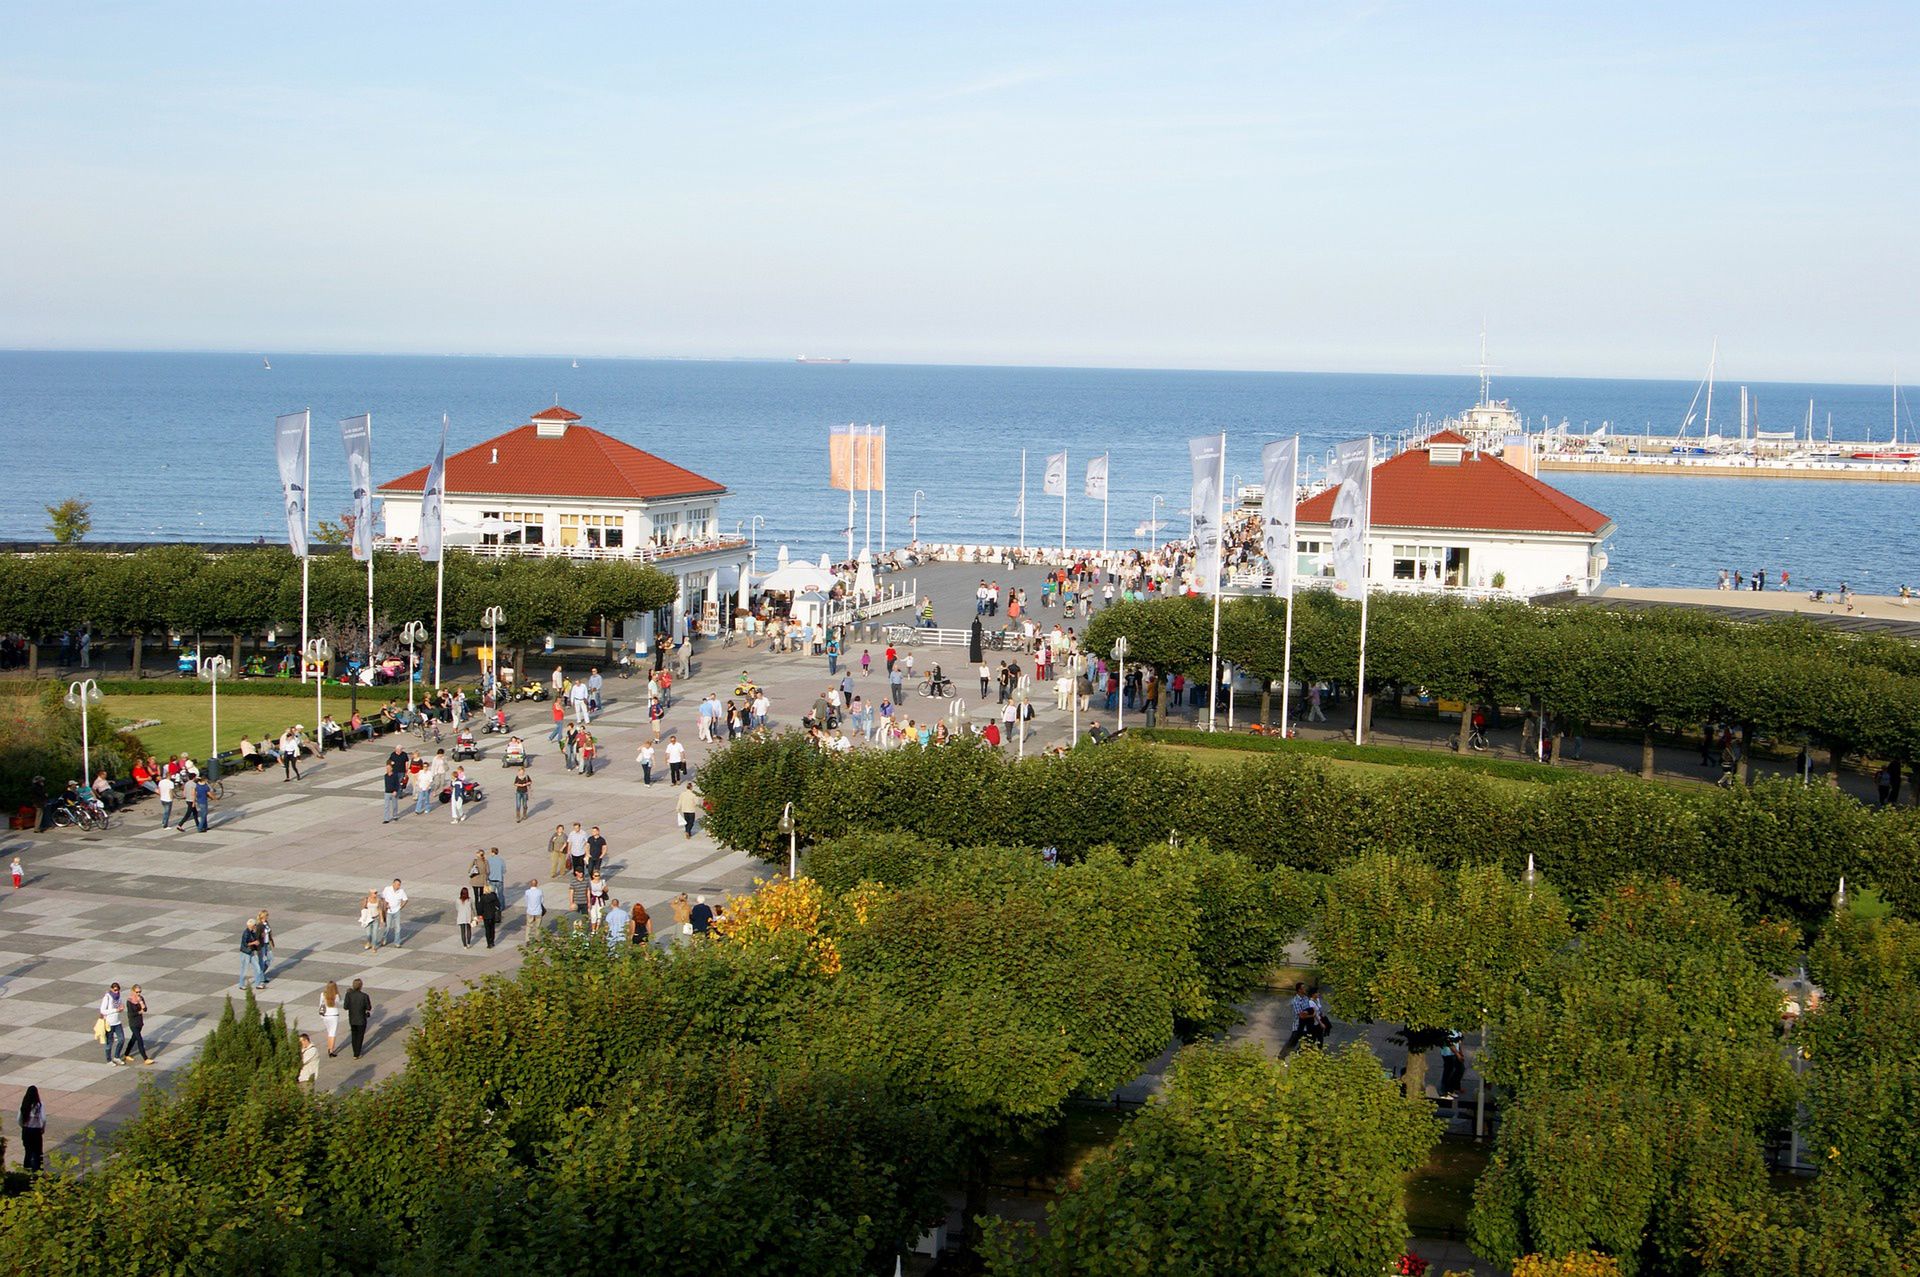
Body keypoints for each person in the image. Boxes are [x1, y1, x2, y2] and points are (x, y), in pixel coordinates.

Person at [18, 1086, 45, 1172]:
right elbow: (43, 1119)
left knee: (28, 1151)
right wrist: (42, 1128)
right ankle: (38, 1170)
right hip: (36, 1131)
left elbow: (19, 1119)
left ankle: (27, 1168)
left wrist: (23, 1126)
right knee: (38, 1152)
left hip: (26, 1130)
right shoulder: (39, 1105)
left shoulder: (24, 1105)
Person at [343, 978, 372, 1058]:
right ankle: (357, 1053)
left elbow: (345, 1007)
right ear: (361, 986)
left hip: (352, 1018)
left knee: (354, 1035)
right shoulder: (364, 996)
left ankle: (355, 1051)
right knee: (360, 1036)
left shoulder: (348, 995)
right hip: (361, 1019)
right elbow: (369, 1007)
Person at [125, 984, 153, 1064]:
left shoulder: (141, 998)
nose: (138, 994)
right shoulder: (129, 1001)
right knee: (139, 1040)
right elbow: (130, 1014)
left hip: (139, 1022)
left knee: (133, 1039)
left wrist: (141, 1003)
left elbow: (145, 1009)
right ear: (133, 991)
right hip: (133, 1023)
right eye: (137, 992)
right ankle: (145, 1058)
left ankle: (126, 1054)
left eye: (140, 992)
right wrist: (139, 1012)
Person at [99, 982, 126, 1065]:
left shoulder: (119, 997)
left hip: (117, 1022)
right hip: (109, 1023)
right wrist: (115, 1010)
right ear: (111, 989)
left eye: (118, 990)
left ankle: (117, 1057)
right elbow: (102, 1011)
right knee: (109, 1043)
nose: (117, 992)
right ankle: (109, 1060)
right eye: (115, 990)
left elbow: (119, 1006)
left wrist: (121, 1009)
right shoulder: (107, 997)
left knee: (121, 1039)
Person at [382, 878, 409, 947]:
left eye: (399, 885)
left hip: (397, 911)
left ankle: (397, 942)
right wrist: (385, 906)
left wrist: (401, 907)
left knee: (398, 927)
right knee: (387, 927)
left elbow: (405, 900)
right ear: (393, 883)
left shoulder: (401, 891)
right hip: (388, 911)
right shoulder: (387, 889)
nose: (398, 886)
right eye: (397, 884)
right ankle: (384, 938)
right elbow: (383, 898)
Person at [237, 919, 262, 991]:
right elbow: (245, 944)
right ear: (252, 926)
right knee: (244, 969)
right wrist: (254, 943)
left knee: (257, 968)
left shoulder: (251, 932)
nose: (256, 926)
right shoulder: (246, 933)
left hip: (251, 952)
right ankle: (241, 985)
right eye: (255, 925)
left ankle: (257, 984)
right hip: (245, 953)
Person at [477, 881, 503, 948]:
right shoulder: (493, 895)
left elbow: (480, 907)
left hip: (485, 915)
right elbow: (498, 904)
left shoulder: (482, 897)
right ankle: (492, 941)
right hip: (492, 914)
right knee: (492, 929)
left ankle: (488, 943)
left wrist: (479, 914)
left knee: (487, 930)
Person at [319, 980, 342, 1056]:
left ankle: (329, 1047)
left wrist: (321, 1016)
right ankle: (331, 1050)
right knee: (332, 1033)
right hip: (334, 1015)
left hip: (326, 1015)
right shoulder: (336, 996)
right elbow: (339, 1003)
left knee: (329, 1032)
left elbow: (320, 1005)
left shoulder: (323, 994)